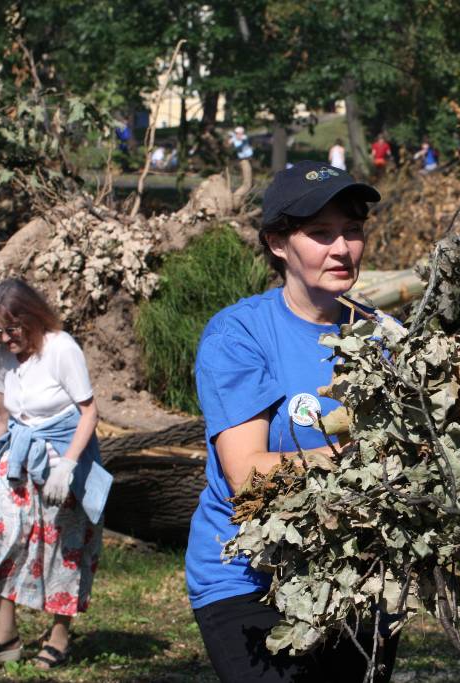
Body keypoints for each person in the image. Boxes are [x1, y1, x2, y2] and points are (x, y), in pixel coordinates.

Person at [186, 160, 398, 682]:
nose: (342, 248)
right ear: (278, 243)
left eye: (352, 231)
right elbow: (248, 475)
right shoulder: (239, 335)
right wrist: (362, 462)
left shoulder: (385, 337)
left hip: (355, 572)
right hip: (247, 577)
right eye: (321, 233)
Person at [0, 279, 108, 670]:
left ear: (31, 317)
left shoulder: (61, 348)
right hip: (18, 465)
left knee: (65, 549)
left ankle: (59, 636)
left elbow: (89, 413)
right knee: (3, 542)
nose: (6, 338)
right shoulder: (4, 356)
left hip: (63, 463)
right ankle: (5, 636)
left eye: (12, 329)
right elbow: (1, 416)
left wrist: (68, 464)